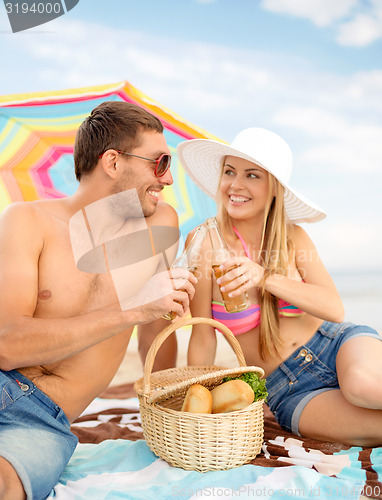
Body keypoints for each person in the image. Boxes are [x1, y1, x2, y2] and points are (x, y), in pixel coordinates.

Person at [0, 101, 196, 500]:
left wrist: (168, 407)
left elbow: (155, 330)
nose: (169, 179)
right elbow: (7, 344)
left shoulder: (160, 226)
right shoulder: (26, 220)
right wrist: (136, 307)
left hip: (42, 421)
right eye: (159, 164)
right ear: (112, 163)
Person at [177, 127, 382, 447]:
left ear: (274, 188)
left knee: (362, 386)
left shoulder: (293, 237)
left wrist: (264, 277)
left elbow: (334, 308)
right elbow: (202, 334)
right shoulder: (203, 244)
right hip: (287, 388)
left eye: (252, 175)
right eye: (229, 171)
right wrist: (194, 406)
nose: (236, 184)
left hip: (337, 345)